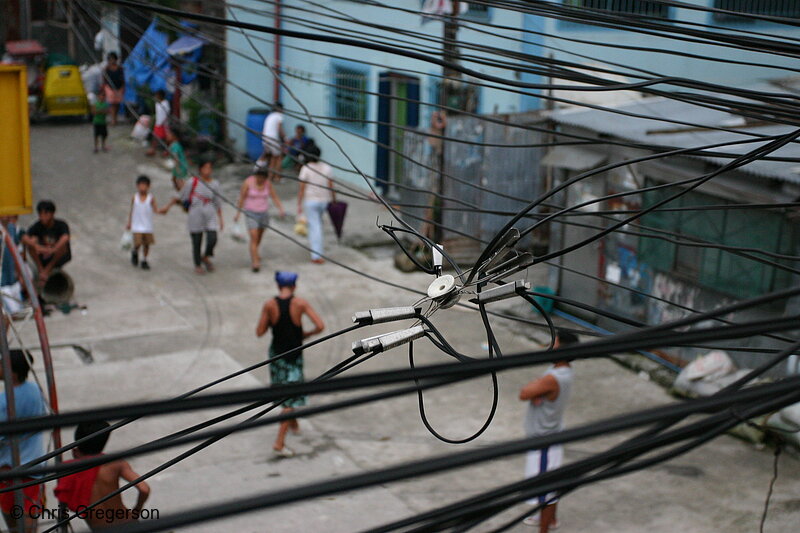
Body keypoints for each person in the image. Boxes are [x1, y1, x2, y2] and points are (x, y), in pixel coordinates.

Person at [256, 271, 324, 457]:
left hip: (276, 356)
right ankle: (279, 442)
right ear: (294, 286)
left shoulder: (270, 305)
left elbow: (260, 331)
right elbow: (320, 325)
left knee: (284, 391)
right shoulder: (300, 304)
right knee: (289, 398)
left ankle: (292, 423)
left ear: (278, 286)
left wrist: (272, 321)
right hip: (294, 357)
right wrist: (305, 334)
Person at [519, 330, 578, 532]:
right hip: (551, 435)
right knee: (551, 482)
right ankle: (551, 521)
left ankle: (544, 528)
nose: (551, 345)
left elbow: (524, 393)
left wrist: (537, 388)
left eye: (555, 343)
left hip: (544, 441)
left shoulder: (552, 377)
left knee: (546, 489)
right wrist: (539, 390)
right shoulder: (564, 370)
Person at [55, 421, 151, 530]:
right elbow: (144, 489)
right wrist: (136, 512)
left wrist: (78, 461)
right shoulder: (116, 464)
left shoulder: (70, 469)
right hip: (127, 524)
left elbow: (66, 500)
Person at [0, 350, 46, 533]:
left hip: (9, 470)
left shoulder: (4, 401)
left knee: (15, 526)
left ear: (13, 373)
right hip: (34, 468)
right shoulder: (35, 390)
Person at [161, 159, 223, 274]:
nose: (208, 171)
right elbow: (181, 196)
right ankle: (198, 264)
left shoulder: (215, 184)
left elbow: (217, 202)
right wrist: (168, 206)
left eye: (209, 168)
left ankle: (206, 255)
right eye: (205, 168)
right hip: (196, 213)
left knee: (212, 238)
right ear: (200, 169)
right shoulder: (193, 182)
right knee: (196, 240)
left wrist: (221, 218)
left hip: (209, 212)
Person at [234, 168, 286, 272]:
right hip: (251, 213)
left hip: (263, 213)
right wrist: (238, 213)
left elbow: (274, 196)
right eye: (259, 177)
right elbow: (242, 198)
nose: (260, 180)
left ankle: (255, 252)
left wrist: (280, 208)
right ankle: (255, 262)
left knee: (259, 236)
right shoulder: (248, 182)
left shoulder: (267, 184)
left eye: (263, 178)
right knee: (254, 236)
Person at [297, 143, 334, 264]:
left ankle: (316, 255)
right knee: (316, 225)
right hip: (324, 201)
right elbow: (331, 186)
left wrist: (299, 204)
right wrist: (334, 200)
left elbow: (302, 188)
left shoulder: (306, 168)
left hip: (311, 201)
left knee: (315, 227)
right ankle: (316, 250)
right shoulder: (327, 168)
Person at [21, 200, 71, 286]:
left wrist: (53, 249)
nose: (42, 217)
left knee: (63, 245)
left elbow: (65, 237)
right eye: (40, 214)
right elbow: (24, 237)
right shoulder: (38, 226)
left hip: (58, 256)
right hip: (44, 255)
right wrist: (37, 246)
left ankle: (47, 270)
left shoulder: (61, 224)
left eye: (46, 214)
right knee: (32, 241)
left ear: (52, 214)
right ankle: (41, 269)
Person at [126, 175, 160, 270]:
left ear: (148, 187)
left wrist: (161, 210)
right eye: (141, 185)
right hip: (137, 225)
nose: (142, 187)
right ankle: (135, 251)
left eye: (144, 185)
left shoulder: (151, 198)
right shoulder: (135, 197)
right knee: (138, 243)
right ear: (137, 186)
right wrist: (129, 222)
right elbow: (132, 210)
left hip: (147, 225)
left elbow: (155, 209)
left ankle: (144, 259)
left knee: (146, 244)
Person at [258, 102, 286, 182]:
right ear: (280, 109)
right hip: (273, 138)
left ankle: (270, 177)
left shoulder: (270, 116)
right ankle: (277, 177)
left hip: (265, 138)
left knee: (273, 158)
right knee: (279, 157)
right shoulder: (279, 115)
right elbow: (279, 128)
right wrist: (285, 138)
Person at [102, 52, 125, 126]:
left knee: (117, 103)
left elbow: (122, 78)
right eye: (110, 59)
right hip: (110, 88)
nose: (112, 61)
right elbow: (104, 79)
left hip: (119, 87)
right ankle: (113, 119)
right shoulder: (107, 69)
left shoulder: (119, 68)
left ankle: (115, 117)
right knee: (112, 103)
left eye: (113, 59)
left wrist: (123, 87)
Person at [146, 90, 170, 157]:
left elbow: (166, 114)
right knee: (156, 137)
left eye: (157, 95)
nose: (156, 96)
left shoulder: (165, 103)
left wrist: (161, 123)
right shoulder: (157, 103)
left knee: (165, 138)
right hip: (158, 123)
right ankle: (153, 149)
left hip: (163, 123)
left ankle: (166, 150)